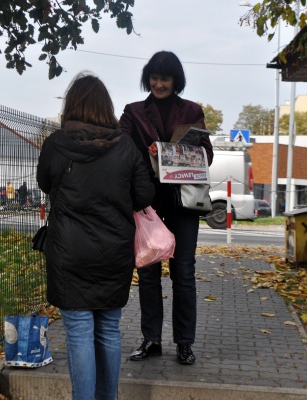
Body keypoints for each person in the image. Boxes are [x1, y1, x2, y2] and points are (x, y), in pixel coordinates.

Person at [36, 71, 154, 400]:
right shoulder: (126, 146)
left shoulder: (56, 144)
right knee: (108, 331)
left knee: (78, 333)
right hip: (114, 252)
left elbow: (46, 183)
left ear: (71, 105)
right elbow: (144, 195)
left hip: (68, 251)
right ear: (107, 107)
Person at [119, 51, 214, 365]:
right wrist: (147, 157)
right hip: (147, 205)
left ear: (176, 80)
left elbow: (206, 157)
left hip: (184, 204)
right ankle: (152, 340)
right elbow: (121, 152)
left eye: (166, 78)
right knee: (147, 273)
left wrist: (177, 154)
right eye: (155, 78)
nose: (159, 84)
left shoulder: (192, 111)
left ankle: (184, 343)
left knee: (184, 274)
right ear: (148, 78)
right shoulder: (133, 113)